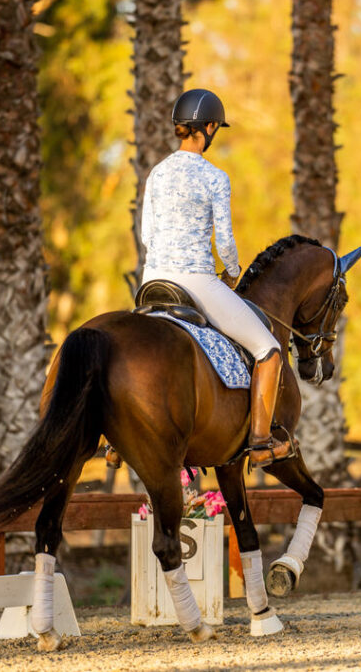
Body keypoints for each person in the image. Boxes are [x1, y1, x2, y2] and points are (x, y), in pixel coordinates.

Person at [139, 88, 290, 468]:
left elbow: (146, 235)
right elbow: (224, 240)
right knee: (269, 351)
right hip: (196, 281)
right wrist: (234, 273)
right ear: (208, 128)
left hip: (151, 280)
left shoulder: (156, 173)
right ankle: (260, 441)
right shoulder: (214, 177)